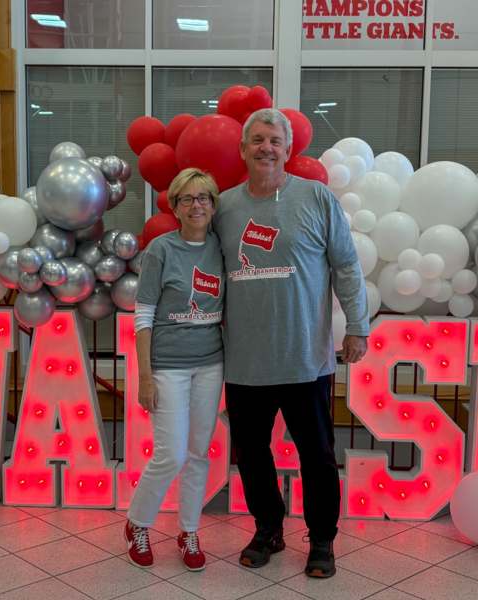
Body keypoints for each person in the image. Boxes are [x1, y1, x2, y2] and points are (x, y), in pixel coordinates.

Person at [213, 108, 369, 578]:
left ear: (288, 149)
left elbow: (346, 265)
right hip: (245, 361)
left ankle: (322, 540)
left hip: (306, 360)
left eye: (275, 141)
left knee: (317, 458)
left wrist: (357, 325)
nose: (266, 148)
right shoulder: (222, 207)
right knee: (254, 455)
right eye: (257, 140)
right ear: (243, 149)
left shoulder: (317, 198)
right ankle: (268, 530)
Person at [124, 168, 225, 572]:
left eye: (204, 198)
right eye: (188, 199)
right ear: (176, 207)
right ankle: (138, 523)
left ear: (213, 205)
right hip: (167, 366)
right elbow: (143, 315)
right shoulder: (161, 250)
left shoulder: (222, 248)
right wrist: (145, 375)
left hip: (211, 364)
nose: (196, 205)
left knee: (199, 453)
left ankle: (189, 530)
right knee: (170, 454)